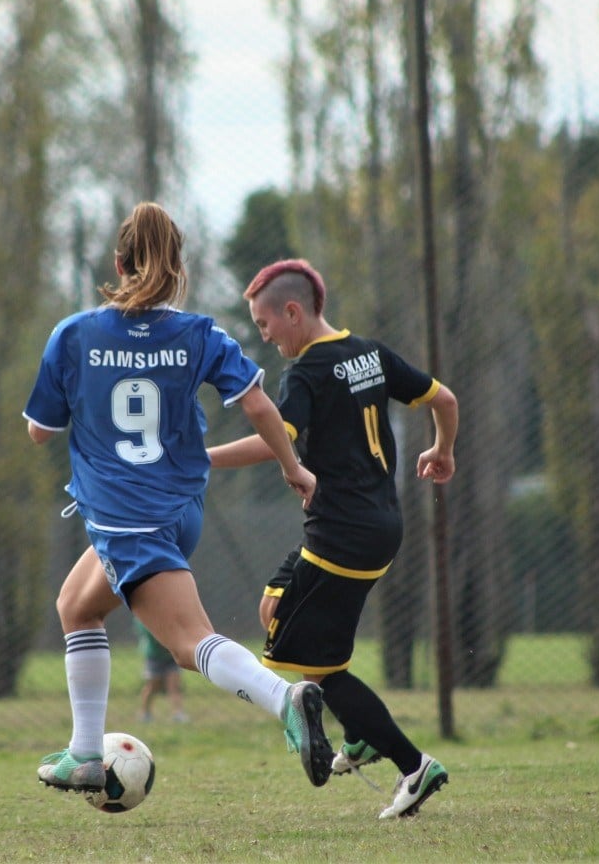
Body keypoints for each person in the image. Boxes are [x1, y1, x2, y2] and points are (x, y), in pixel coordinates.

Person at [23, 203, 334, 796]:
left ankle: (286, 699)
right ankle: (85, 755)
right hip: (179, 507)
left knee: (190, 644)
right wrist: (293, 469)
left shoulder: (75, 334)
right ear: (178, 266)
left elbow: (41, 429)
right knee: (76, 605)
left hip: (124, 515)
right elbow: (260, 406)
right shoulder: (201, 334)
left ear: (118, 263)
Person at [207, 258, 458, 820]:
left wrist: (199, 461)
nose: (264, 335)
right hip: (374, 525)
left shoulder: (307, 373)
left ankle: (414, 765)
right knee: (275, 605)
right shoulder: (369, 352)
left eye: (265, 323)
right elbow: (446, 401)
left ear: (293, 312)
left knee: (315, 669)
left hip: (343, 534)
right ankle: (362, 735)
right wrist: (442, 450)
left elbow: (277, 443)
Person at [133, 616, 188, 723]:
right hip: (155, 656)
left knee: (174, 685)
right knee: (153, 686)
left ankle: (178, 713)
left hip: (172, 655)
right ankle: (145, 712)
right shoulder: (143, 614)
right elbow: (144, 630)